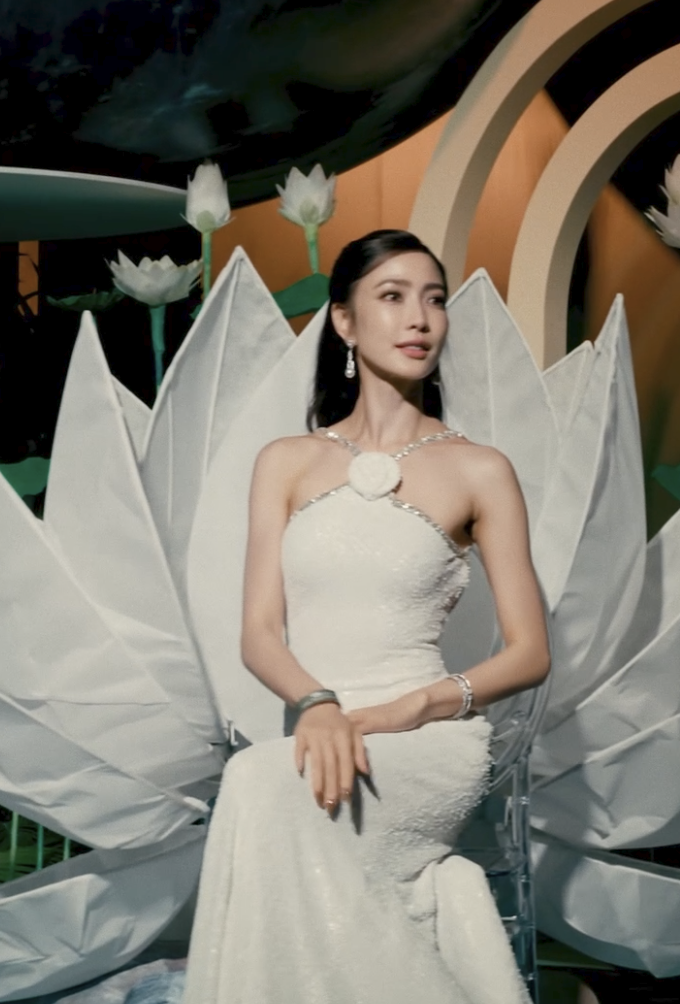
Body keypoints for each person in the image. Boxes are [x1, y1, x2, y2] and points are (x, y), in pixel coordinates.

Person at [180, 230, 550, 1004]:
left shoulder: (480, 469)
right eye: (393, 296)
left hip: (426, 743)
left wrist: (414, 705)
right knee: (262, 784)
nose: (420, 317)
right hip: (320, 731)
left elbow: (529, 654)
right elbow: (257, 633)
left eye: (435, 298)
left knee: (254, 781)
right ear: (344, 323)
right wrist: (317, 704)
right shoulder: (285, 461)